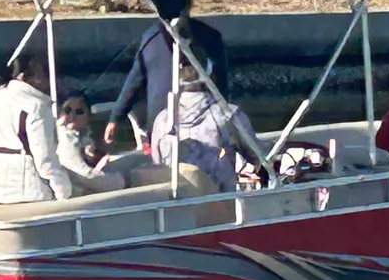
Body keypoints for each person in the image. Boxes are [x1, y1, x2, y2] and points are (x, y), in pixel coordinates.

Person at [107, 14, 229, 148]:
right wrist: (116, 116)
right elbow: (135, 80)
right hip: (160, 131)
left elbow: (221, 85)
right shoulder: (149, 38)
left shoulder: (209, 37)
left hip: (203, 130)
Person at [0, 53, 73, 203]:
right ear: (24, 77)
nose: (47, 81)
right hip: (25, 191)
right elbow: (45, 159)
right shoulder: (36, 105)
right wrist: (63, 192)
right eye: (42, 75)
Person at [150, 61, 260, 194]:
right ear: (209, 74)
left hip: (175, 204)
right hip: (221, 201)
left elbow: (157, 163)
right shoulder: (229, 114)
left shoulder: (162, 120)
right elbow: (256, 156)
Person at [55, 90, 128, 193]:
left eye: (79, 112)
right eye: (67, 110)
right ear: (60, 114)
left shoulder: (84, 139)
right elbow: (84, 175)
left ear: (88, 117)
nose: (72, 116)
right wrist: (122, 181)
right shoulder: (66, 138)